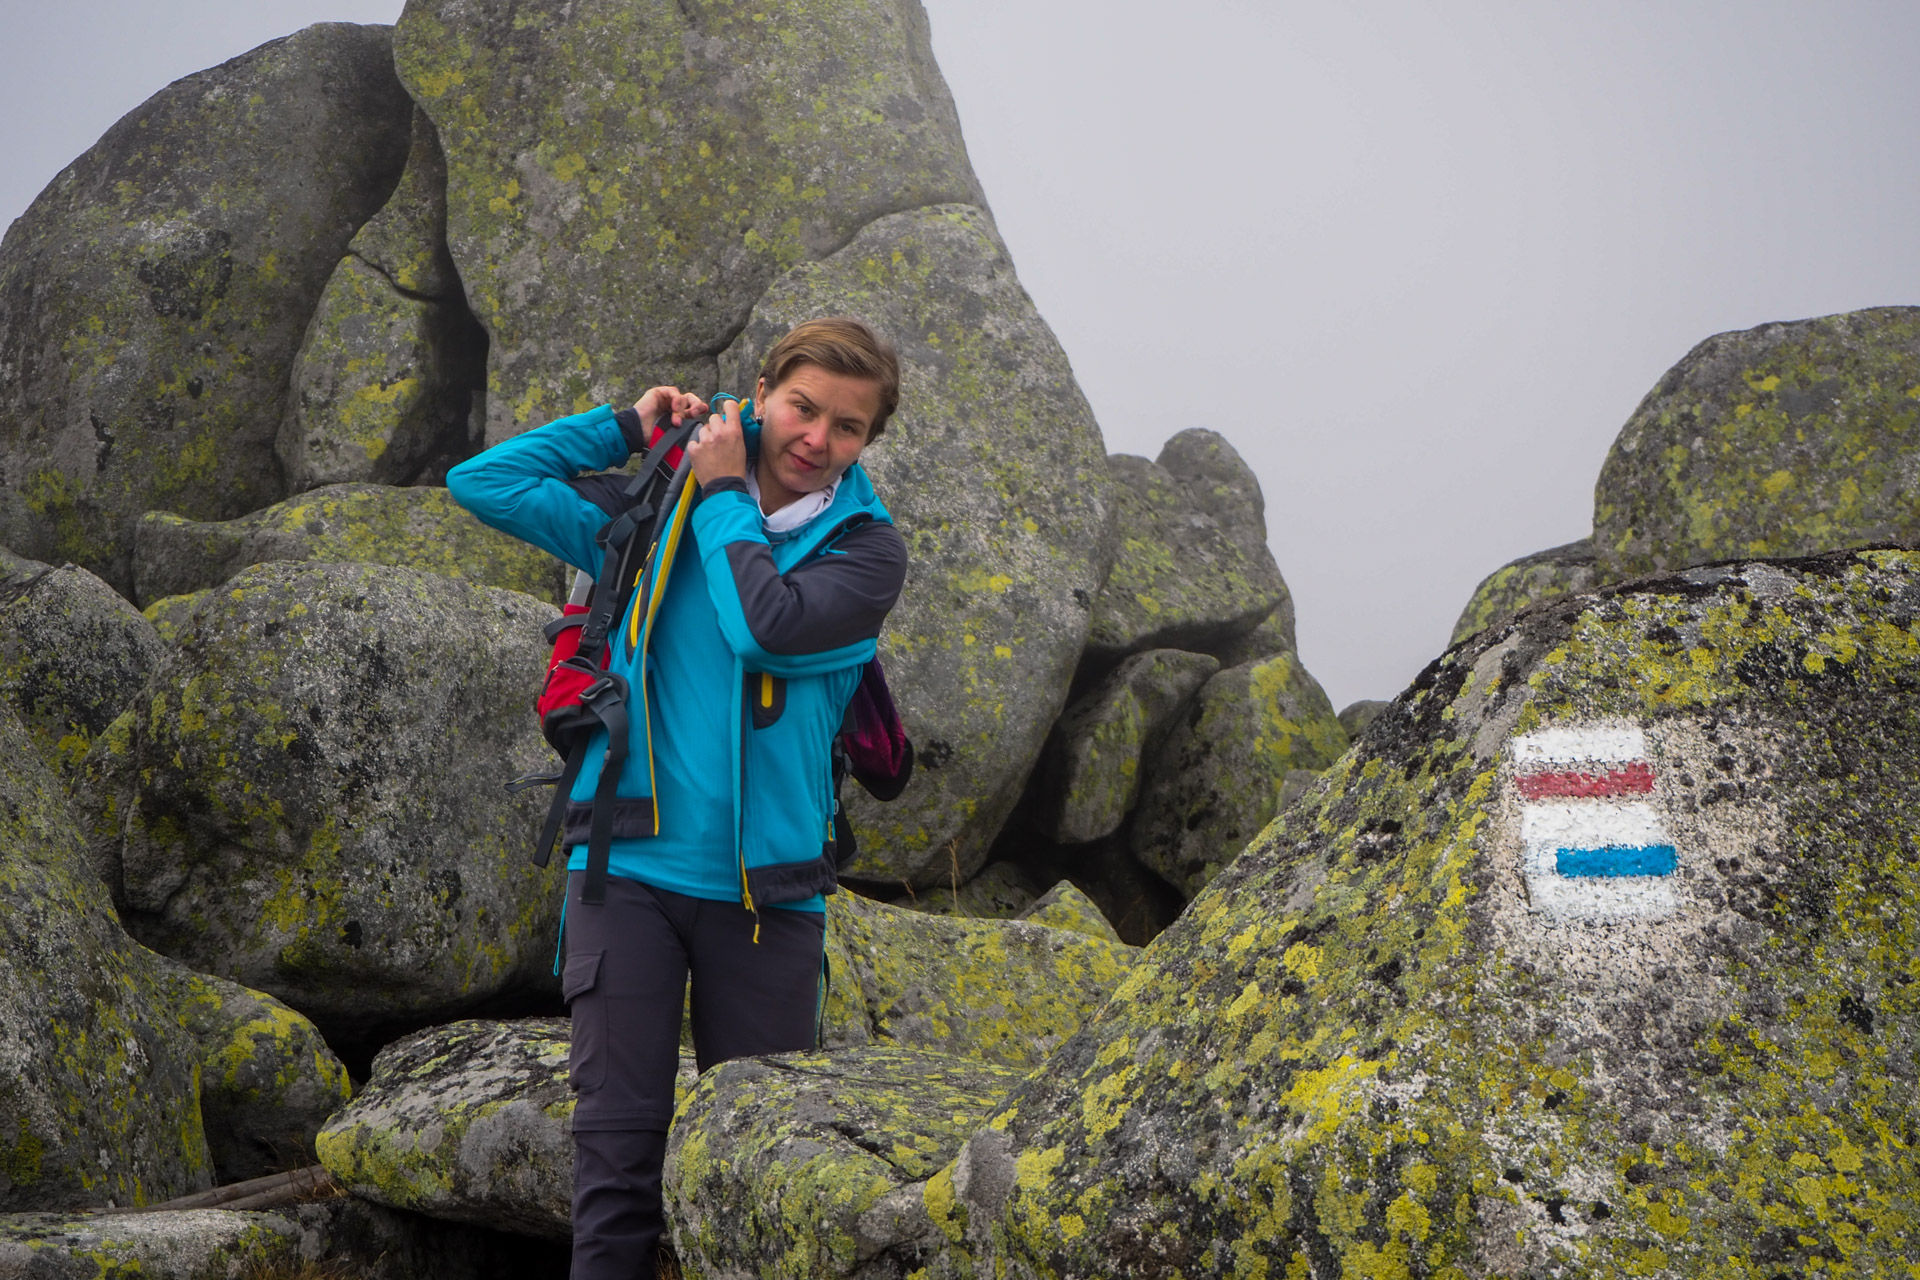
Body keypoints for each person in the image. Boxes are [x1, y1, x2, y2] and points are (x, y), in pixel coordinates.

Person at [445, 317, 908, 1279]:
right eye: (802, 406)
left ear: (868, 443)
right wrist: (622, 424)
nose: (817, 438)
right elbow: (480, 481)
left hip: (771, 904)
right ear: (764, 391)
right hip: (627, 874)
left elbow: (763, 629)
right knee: (615, 1178)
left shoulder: (865, 554)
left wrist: (725, 488)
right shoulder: (650, 511)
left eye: (848, 427)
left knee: (765, 1193)